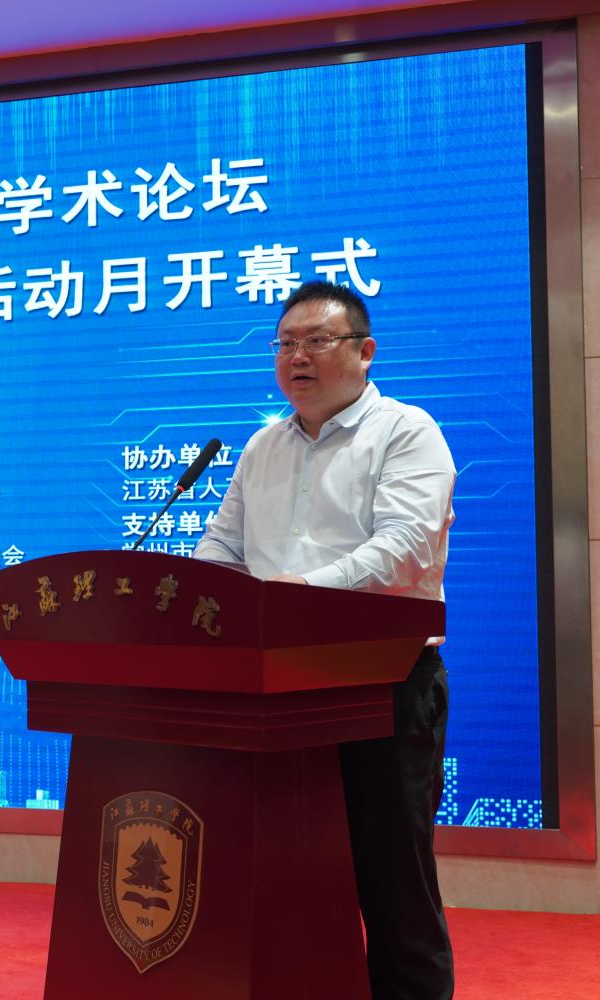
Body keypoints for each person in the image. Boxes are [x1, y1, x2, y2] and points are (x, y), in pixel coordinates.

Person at [192, 280, 456, 1000]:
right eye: (284, 344)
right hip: (273, 696)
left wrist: (301, 593)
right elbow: (223, 547)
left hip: (379, 687)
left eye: (316, 341)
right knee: (285, 878)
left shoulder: (406, 432)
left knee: (393, 886)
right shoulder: (262, 446)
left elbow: (405, 548)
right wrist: (191, 597)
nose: (296, 357)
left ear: (365, 352)